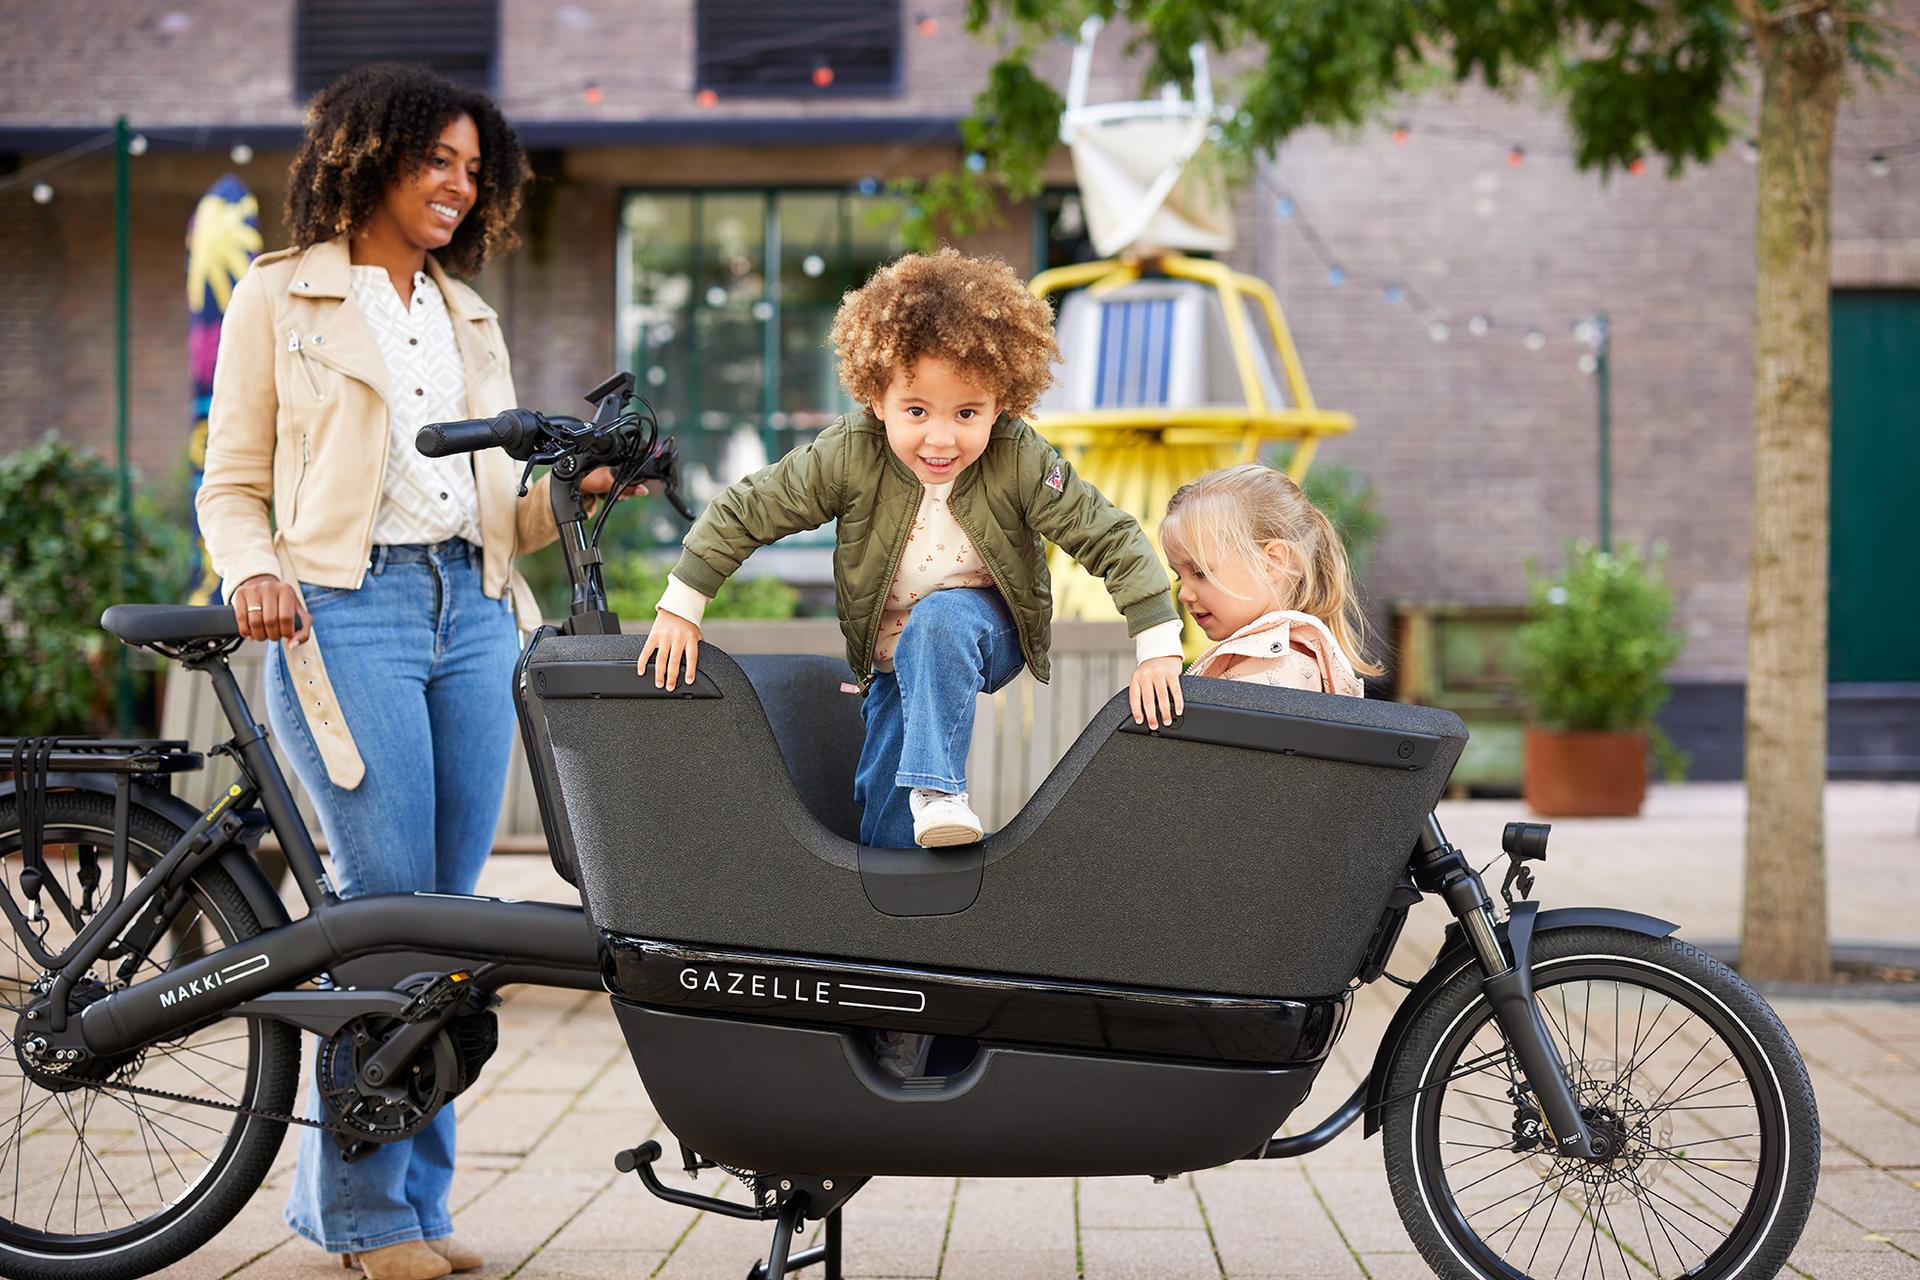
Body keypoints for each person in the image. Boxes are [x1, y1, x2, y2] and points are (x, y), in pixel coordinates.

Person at [197, 63, 637, 1280]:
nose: (457, 183)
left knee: (450, 921)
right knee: (386, 908)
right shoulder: (280, 296)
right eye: (435, 159)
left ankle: (415, 1199)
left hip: (477, 610)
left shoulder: (468, 316)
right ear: (367, 156)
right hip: (345, 612)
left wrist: (583, 485)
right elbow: (230, 482)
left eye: (472, 168)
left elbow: (498, 513)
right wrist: (252, 572)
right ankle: (365, 1215)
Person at [637, 248, 1187, 850]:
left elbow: (1107, 535)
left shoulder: (1019, 457)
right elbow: (751, 508)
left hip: (986, 627)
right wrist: (681, 606)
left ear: (1001, 403)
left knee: (942, 620)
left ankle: (938, 790)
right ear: (877, 399)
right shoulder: (850, 452)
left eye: (967, 412)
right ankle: (898, 880)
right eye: (917, 410)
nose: (941, 438)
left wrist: (1158, 646)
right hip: (891, 655)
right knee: (887, 807)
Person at [1160, 463, 1379, 695]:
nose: (1183, 594)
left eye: (1200, 572)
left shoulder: (1280, 673)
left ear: (1272, 562)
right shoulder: (1267, 663)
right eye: (1179, 576)